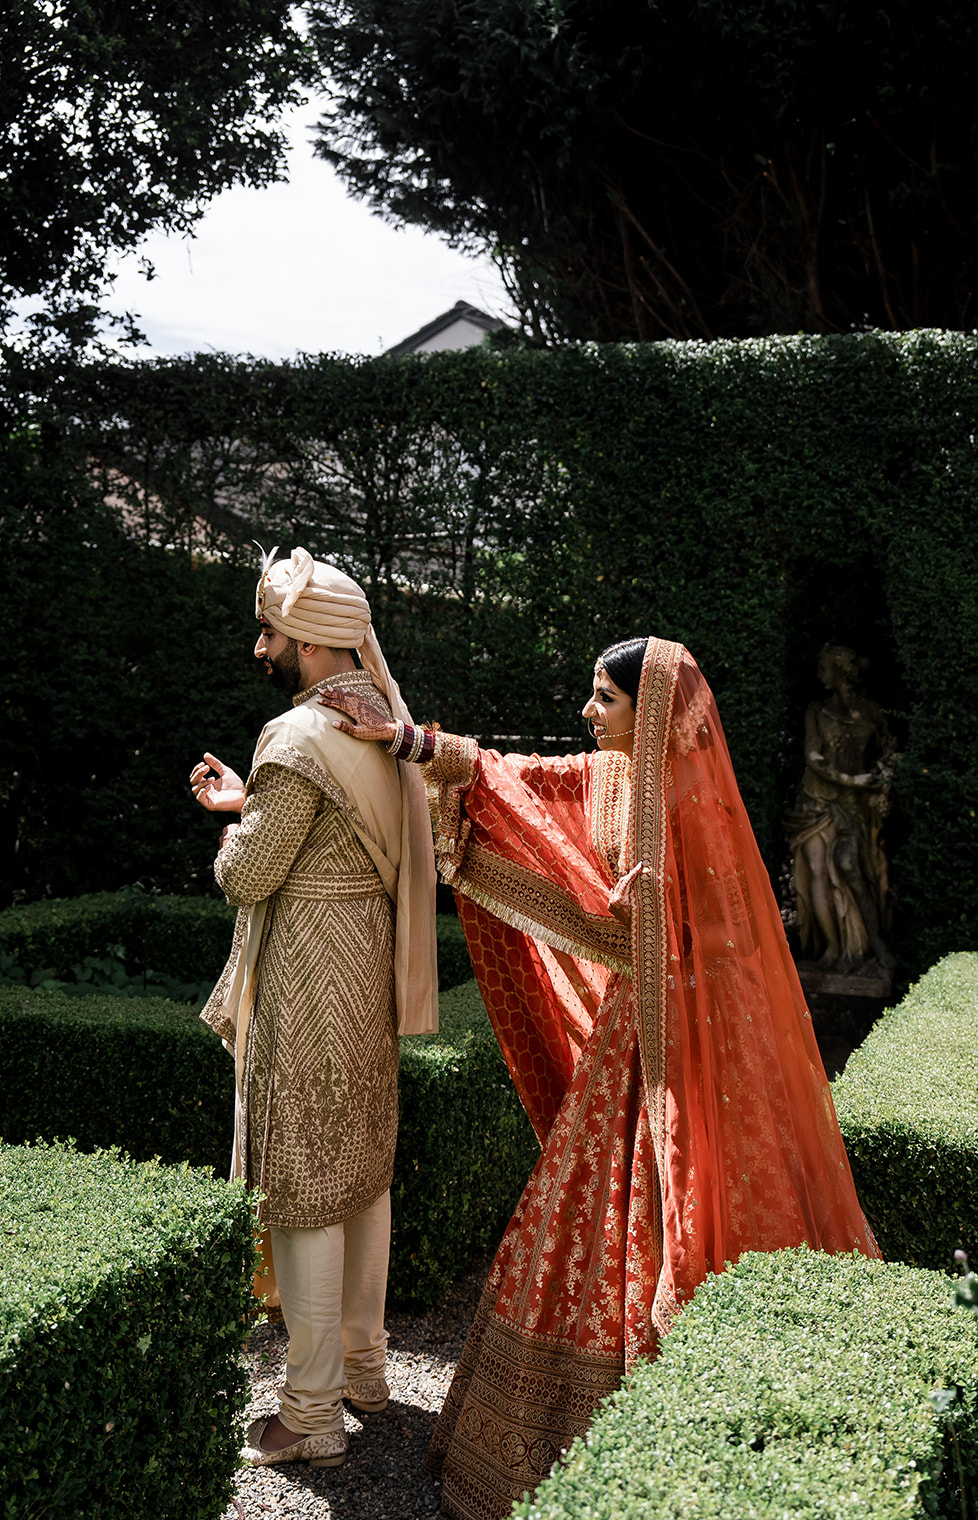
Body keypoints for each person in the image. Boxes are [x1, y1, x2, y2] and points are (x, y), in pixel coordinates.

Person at [320, 634, 879, 1520]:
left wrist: (658, 914)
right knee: (578, 1210)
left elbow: (730, 944)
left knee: (690, 1204)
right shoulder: (609, 777)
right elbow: (513, 779)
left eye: (604, 699)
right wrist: (408, 740)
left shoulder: (695, 804)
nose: (588, 712)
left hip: (694, 1048)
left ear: (648, 710)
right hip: (629, 1034)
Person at [191, 546, 438, 1470]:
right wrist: (249, 801)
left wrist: (231, 835)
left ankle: (310, 1414)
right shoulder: (384, 722)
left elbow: (250, 873)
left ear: (306, 640)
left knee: (301, 1185)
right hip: (366, 970)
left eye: (269, 633)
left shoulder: (294, 735)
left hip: (306, 978)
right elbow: (334, 827)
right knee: (361, 1175)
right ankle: (363, 1372)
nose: (260, 649)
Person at [786, 643, 896, 973]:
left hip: (852, 805)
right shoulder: (817, 711)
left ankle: (872, 943)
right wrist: (852, 779)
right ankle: (832, 950)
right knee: (817, 874)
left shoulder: (870, 711)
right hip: (815, 801)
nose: (820, 674)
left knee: (850, 864)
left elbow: (889, 749)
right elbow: (813, 757)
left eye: (824, 667)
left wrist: (882, 776)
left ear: (840, 671)